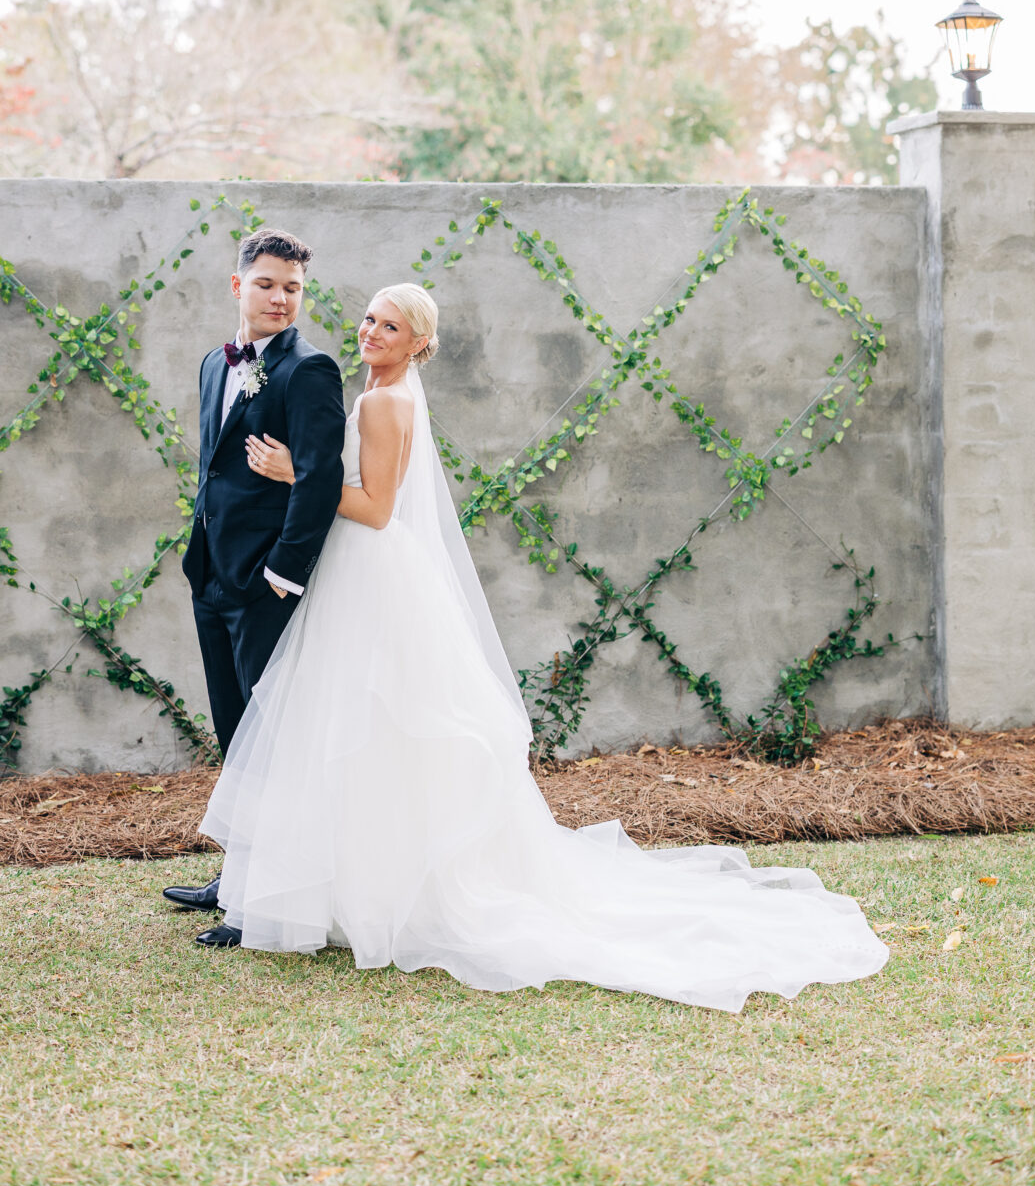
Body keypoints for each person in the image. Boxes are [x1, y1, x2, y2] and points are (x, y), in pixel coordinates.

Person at [199, 283, 889, 1010]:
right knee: (371, 730)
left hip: (368, 567)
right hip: (380, 573)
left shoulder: (380, 402)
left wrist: (296, 473)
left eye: (391, 326)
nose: (371, 332)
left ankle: (353, 891)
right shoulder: (390, 396)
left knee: (359, 725)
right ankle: (351, 885)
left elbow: (372, 508)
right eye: (370, 318)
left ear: (416, 343)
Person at [162, 229, 346, 928]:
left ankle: (265, 899)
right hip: (209, 574)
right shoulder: (215, 363)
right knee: (236, 734)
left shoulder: (310, 370)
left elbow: (320, 479)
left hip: (264, 585)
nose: (280, 298)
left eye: (292, 288)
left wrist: (283, 572)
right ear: (238, 285)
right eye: (267, 284)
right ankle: (236, 877)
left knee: (274, 738)